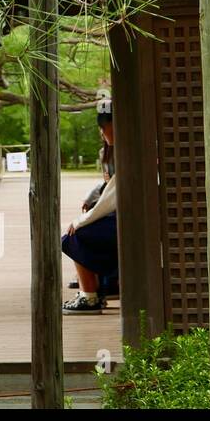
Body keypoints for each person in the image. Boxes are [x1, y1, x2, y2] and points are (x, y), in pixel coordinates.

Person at [61, 110, 118, 314]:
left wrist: (81, 221)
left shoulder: (128, 152)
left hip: (128, 220)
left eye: (105, 128)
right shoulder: (110, 152)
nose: (103, 133)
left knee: (73, 238)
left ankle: (90, 297)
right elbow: (107, 187)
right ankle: (95, 290)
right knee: (78, 235)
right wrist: (90, 199)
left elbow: (113, 195)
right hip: (120, 217)